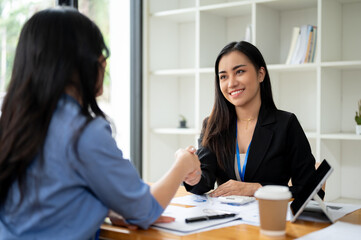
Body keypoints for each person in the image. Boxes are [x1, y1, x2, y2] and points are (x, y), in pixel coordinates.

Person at [0, 7, 200, 239]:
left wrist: (102, 208)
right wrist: (183, 163)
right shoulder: (82, 133)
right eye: (100, 53)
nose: (103, 62)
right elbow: (145, 210)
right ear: (80, 63)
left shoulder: (13, 123)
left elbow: (48, 200)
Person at [184, 41, 322, 199]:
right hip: (225, 219)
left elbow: (310, 190)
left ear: (260, 74)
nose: (231, 83)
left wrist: (258, 189)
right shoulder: (212, 125)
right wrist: (193, 176)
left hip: (270, 218)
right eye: (223, 76)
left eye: (240, 71)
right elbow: (204, 182)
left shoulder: (286, 124)